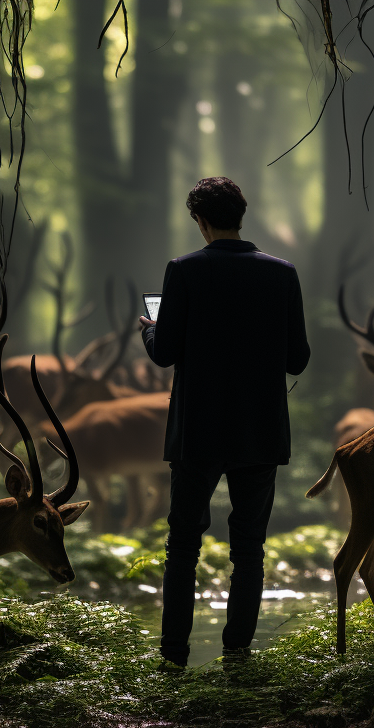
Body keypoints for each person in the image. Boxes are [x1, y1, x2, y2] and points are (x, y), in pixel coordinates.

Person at [139, 176, 310, 669]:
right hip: (260, 431)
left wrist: (150, 332)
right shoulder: (283, 274)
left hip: (198, 433)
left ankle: (173, 657)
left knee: (183, 545)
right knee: (249, 546)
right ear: (241, 214)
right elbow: (297, 360)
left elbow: (166, 353)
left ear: (200, 220)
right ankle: (236, 654)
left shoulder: (184, 270)